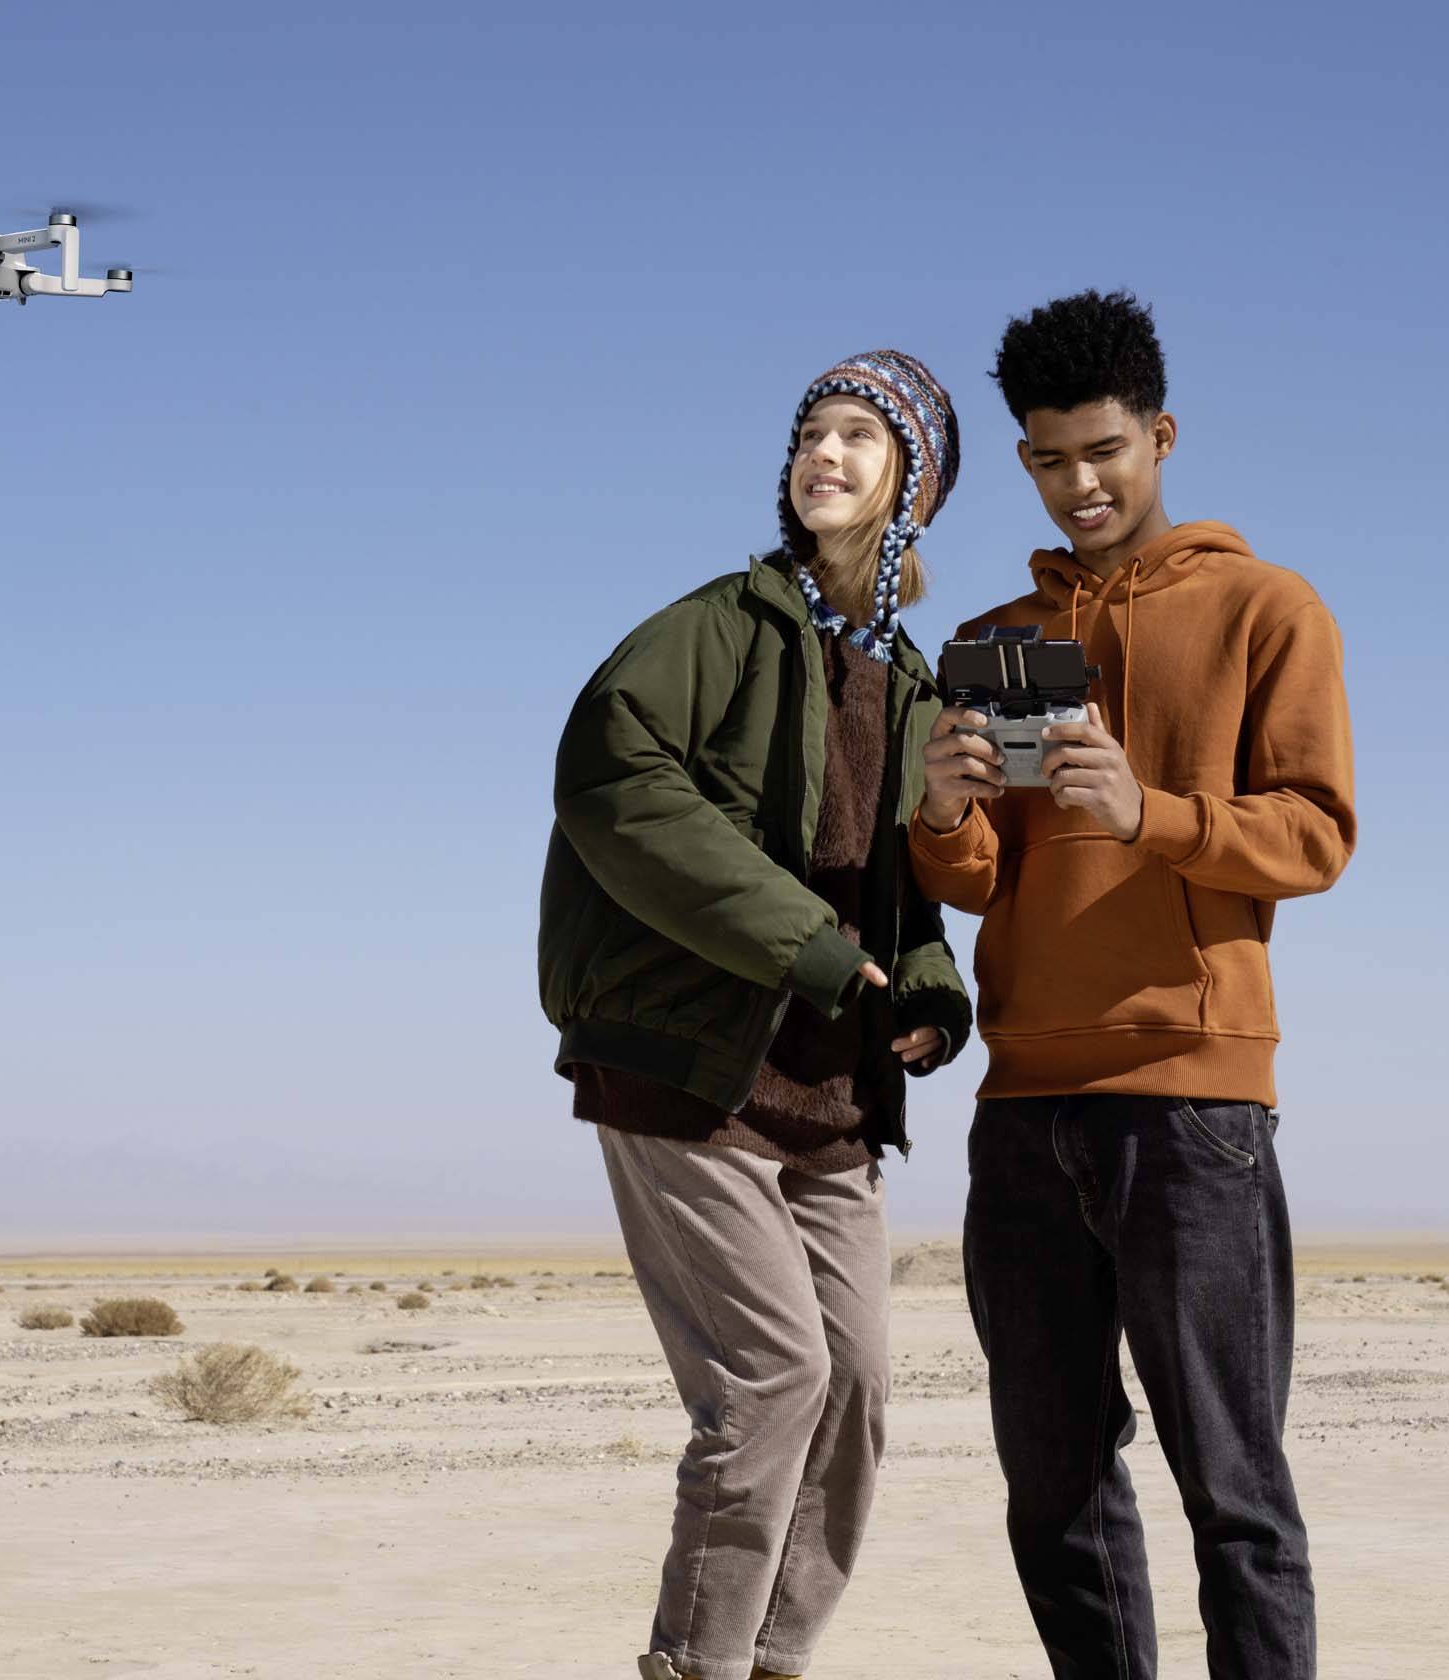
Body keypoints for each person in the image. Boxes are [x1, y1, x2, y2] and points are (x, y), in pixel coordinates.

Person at [910, 291, 1356, 1679]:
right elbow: (982, 879)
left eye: (1103, 450)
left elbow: (1317, 835)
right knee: (1050, 1491)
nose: (1080, 484)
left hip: (1190, 1107)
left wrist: (1151, 814)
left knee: (1233, 1492)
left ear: (1160, 436)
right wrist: (940, 810)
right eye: (1047, 459)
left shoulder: (1267, 608)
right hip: (1022, 1107)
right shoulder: (993, 635)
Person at [539, 351, 977, 1680]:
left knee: (854, 1400)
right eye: (813, 434)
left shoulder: (910, 683)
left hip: (831, 1100)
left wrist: (932, 990)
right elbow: (610, 775)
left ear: (917, 488)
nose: (826, 455)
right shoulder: (714, 628)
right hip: (687, 1067)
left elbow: (892, 887)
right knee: (772, 1384)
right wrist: (804, 945)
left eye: (861, 437)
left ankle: (770, 1663)